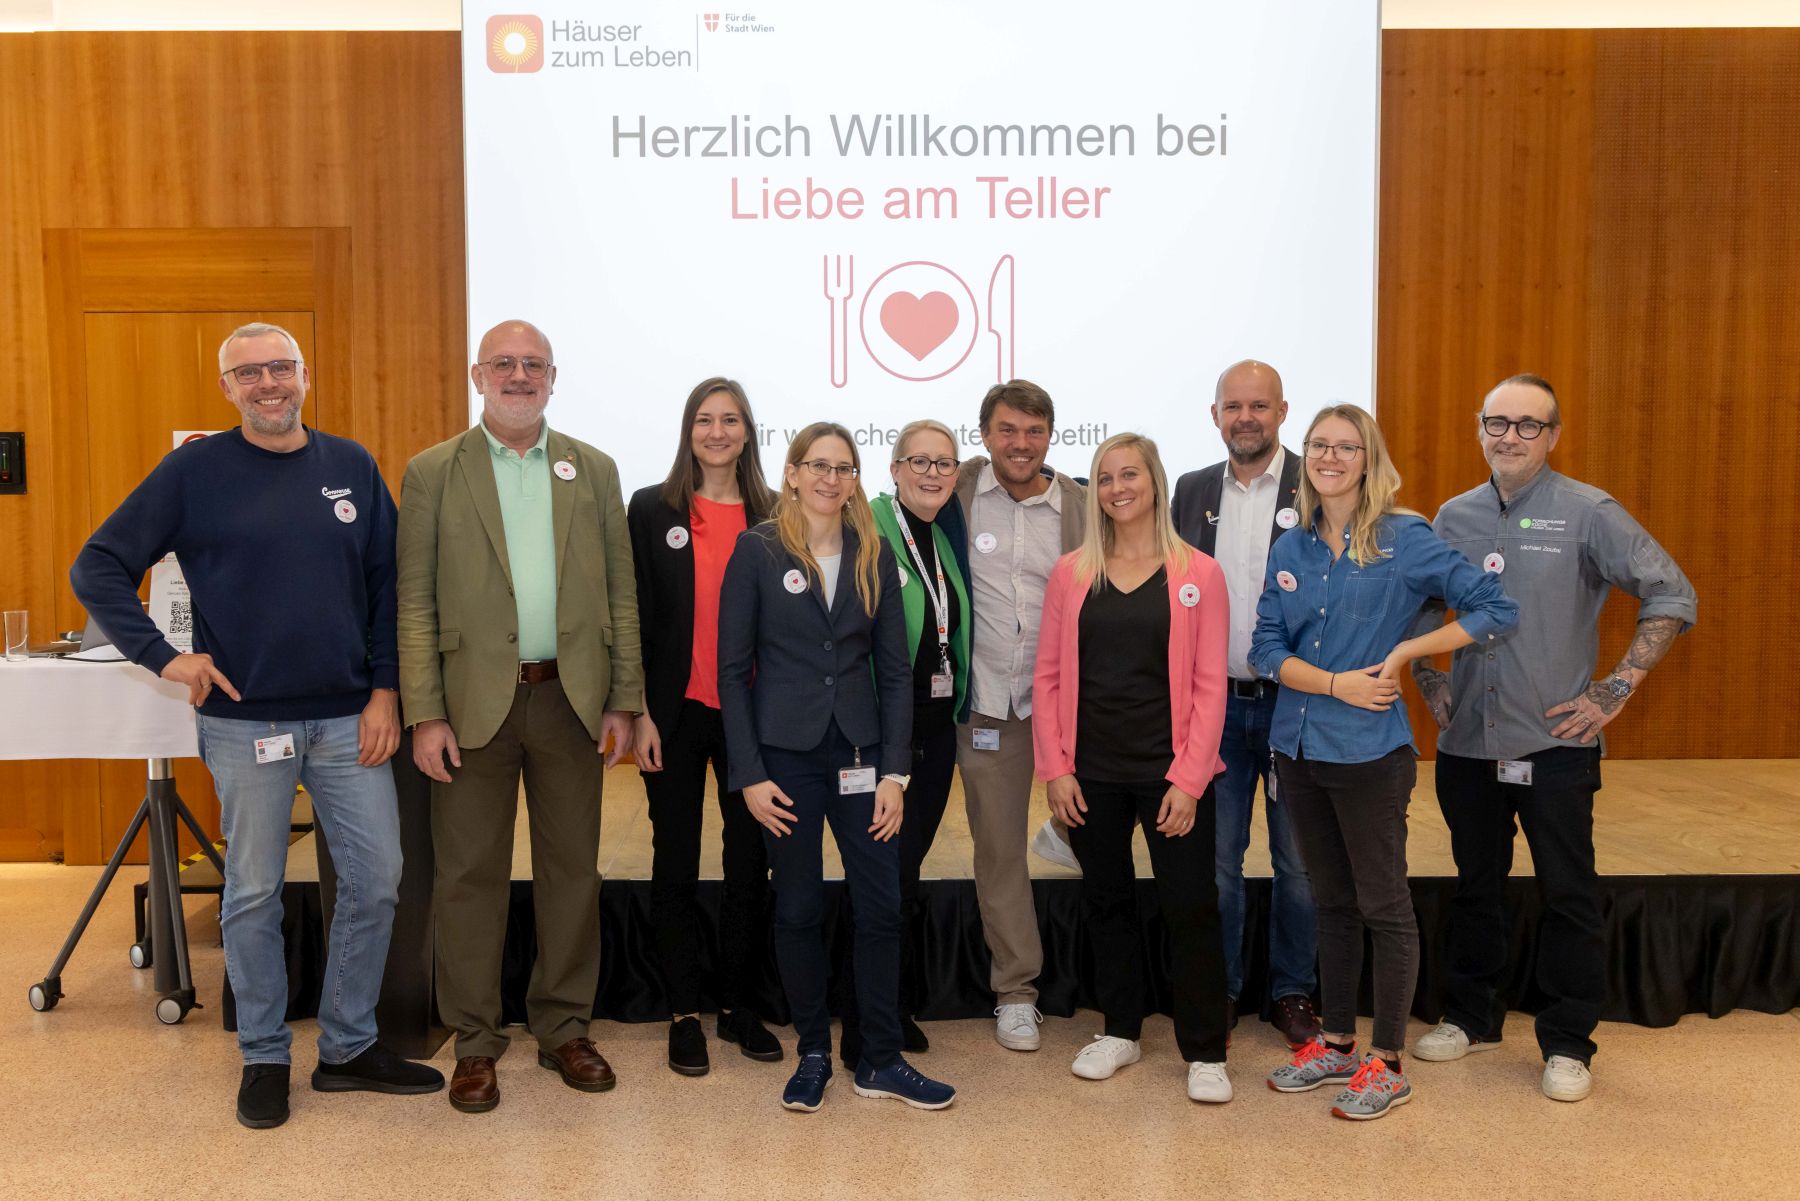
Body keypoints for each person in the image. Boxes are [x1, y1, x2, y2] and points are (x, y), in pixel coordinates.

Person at [71, 322, 442, 1130]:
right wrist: (165, 656)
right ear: (227, 388)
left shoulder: (350, 464)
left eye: (281, 368)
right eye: (250, 373)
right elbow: (96, 564)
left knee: (378, 878)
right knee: (252, 891)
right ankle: (265, 1054)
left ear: (305, 375)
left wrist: (385, 691)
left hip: (349, 719)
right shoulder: (193, 472)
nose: (268, 384)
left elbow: (387, 585)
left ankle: (348, 1045)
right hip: (246, 724)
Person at [1409, 374, 1697, 1102]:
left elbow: (1672, 591)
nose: (1510, 436)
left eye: (1528, 425)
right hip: (1468, 744)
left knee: (1569, 893)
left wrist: (1615, 688)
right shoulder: (1454, 515)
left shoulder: (1588, 511)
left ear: (1553, 435)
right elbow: (1419, 601)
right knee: (1475, 886)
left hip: (1554, 743)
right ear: (1479, 428)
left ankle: (1569, 1042)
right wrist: (1432, 679)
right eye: (1497, 422)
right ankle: (1469, 1016)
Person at [397, 319, 643, 1113]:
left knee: (573, 870)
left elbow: (621, 593)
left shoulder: (593, 469)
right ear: (477, 376)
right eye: (503, 363)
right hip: (470, 706)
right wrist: (424, 712)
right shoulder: (433, 471)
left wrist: (625, 697)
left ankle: (564, 1025)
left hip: (570, 701)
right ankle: (475, 1038)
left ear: (553, 378)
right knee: (469, 875)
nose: (518, 375)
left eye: (533, 364)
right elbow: (415, 601)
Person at [1251, 403, 1517, 1121]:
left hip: (1370, 753)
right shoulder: (1292, 545)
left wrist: (1405, 651)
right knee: (1332, 902)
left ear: (1369, 459)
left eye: (1346, 446)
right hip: (1297, 746)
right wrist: (1335, 683)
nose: (1329, 457)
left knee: (1384, 907)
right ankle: (1339, 1043)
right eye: (1318, 445)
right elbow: (1266, 649)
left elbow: (1495, 607)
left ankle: (1389, 1062)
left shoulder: (1405, 538)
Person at [718, 422, 955, 1112]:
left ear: (856, 479)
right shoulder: (758, 549)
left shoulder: (873, 551)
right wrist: (749, 774)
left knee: (880, 904)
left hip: (861, 757)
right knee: (796, 906)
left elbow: (894, 672)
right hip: (784, 762)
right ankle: (814, 1053)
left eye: (843, 467)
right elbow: (732, 671)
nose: (831, 478)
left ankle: (879, 1057)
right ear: (792, 473)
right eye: (818, 465)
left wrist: (895, 773)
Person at [1033, 432, 1235, 1103]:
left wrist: (1189, 779)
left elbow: (1210, 685)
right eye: (1105, 477)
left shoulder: (1199, 573)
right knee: (1106, 901)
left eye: (1130, 474)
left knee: (1190, 905)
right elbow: (1049, 676)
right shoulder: (1071, 573)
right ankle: (1120, 1028)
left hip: (1171, 773)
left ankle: (1205, 1049)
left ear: (1155, 481)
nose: (1117, 488)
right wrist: (1056, 768)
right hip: (1090, 772)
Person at [627, 377, 782, 1075]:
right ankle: (683, 1011)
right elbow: (631, 615)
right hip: (675, 713)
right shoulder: (651, 508)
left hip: (754, 716)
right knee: (675, 861)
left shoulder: (776, 514)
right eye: (704, 420)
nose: (717, 432)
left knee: (750, 863)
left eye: (731, 420)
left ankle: (739, 1006)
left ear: (748, 432)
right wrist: (638, 712)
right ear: (688, 429)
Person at [1170, 359, 1320, 1048]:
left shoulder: (1317, 482)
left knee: (1299, 865)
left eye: (1259, 405)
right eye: (1233, 406)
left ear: (1283, 412)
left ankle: (1292, 992)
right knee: (1218, 863)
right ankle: (1222, 990)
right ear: (1215, 415)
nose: (1246, 418)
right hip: (1217, 710)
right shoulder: (1191, 489)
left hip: (1298, 706)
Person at [951, 380, 1087, 1052]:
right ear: (984, 435)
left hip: (1072, 705)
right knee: (1000, 851)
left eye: (1034, 431)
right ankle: (1015, 991)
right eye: (1007, 430)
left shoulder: (1083, 506)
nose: (1021, 444)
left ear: (1051, 436)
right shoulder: (956, 492)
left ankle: (1060, 830)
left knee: (1101, 823)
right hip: (987, 704)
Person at [837, 419, 972, 1064]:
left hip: (935, 731)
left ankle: (892, 1003)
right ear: (893, 469)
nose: (932, 473)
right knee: (877, 877)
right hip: (880, 731)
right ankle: (863, 1016)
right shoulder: (866, 528)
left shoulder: (941, 535)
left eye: (944, 463)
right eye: (919, 461)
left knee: (906, 869)